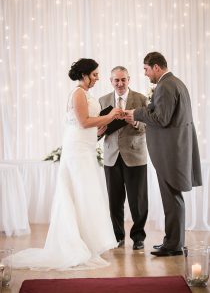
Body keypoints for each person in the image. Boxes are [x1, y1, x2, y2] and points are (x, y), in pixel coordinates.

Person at [10, 58, 122, 270]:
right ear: (84, 75)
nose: (98, 78)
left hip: (85, 148)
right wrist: (110, 116)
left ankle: (86, 243)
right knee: (78, 193)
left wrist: (104, 126)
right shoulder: (78, 93)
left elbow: (89, 126)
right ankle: (73, 245)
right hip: (77, 151)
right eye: (95, 74)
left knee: (84, 195)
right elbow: (84, 122)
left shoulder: (86, 94)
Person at [125, 52, 202, 256]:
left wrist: (137, 113)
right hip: (175, 149)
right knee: (172, 197)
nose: (145, 73)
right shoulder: (176, 83)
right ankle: (172, 241)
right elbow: (163, 112)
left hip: (170, 152)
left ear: (156, 67)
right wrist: (146, 109)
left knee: (172, 198)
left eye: (146, 69)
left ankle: (174, 245)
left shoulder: (166, 85)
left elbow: (162, 118)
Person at [99, 66, 148, 250]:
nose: (120, 83)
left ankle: (138, 237)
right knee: (115, 200)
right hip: (111, 156)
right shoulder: (103, 100)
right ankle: (117, 236)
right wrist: (99, 130)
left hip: (135, 155)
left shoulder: (141, 99)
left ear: (129, 80)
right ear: (111, 81)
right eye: (116, 80)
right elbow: (96, 131)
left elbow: (150, 126)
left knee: (138, 200)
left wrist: (135, 121)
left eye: (123, 80)